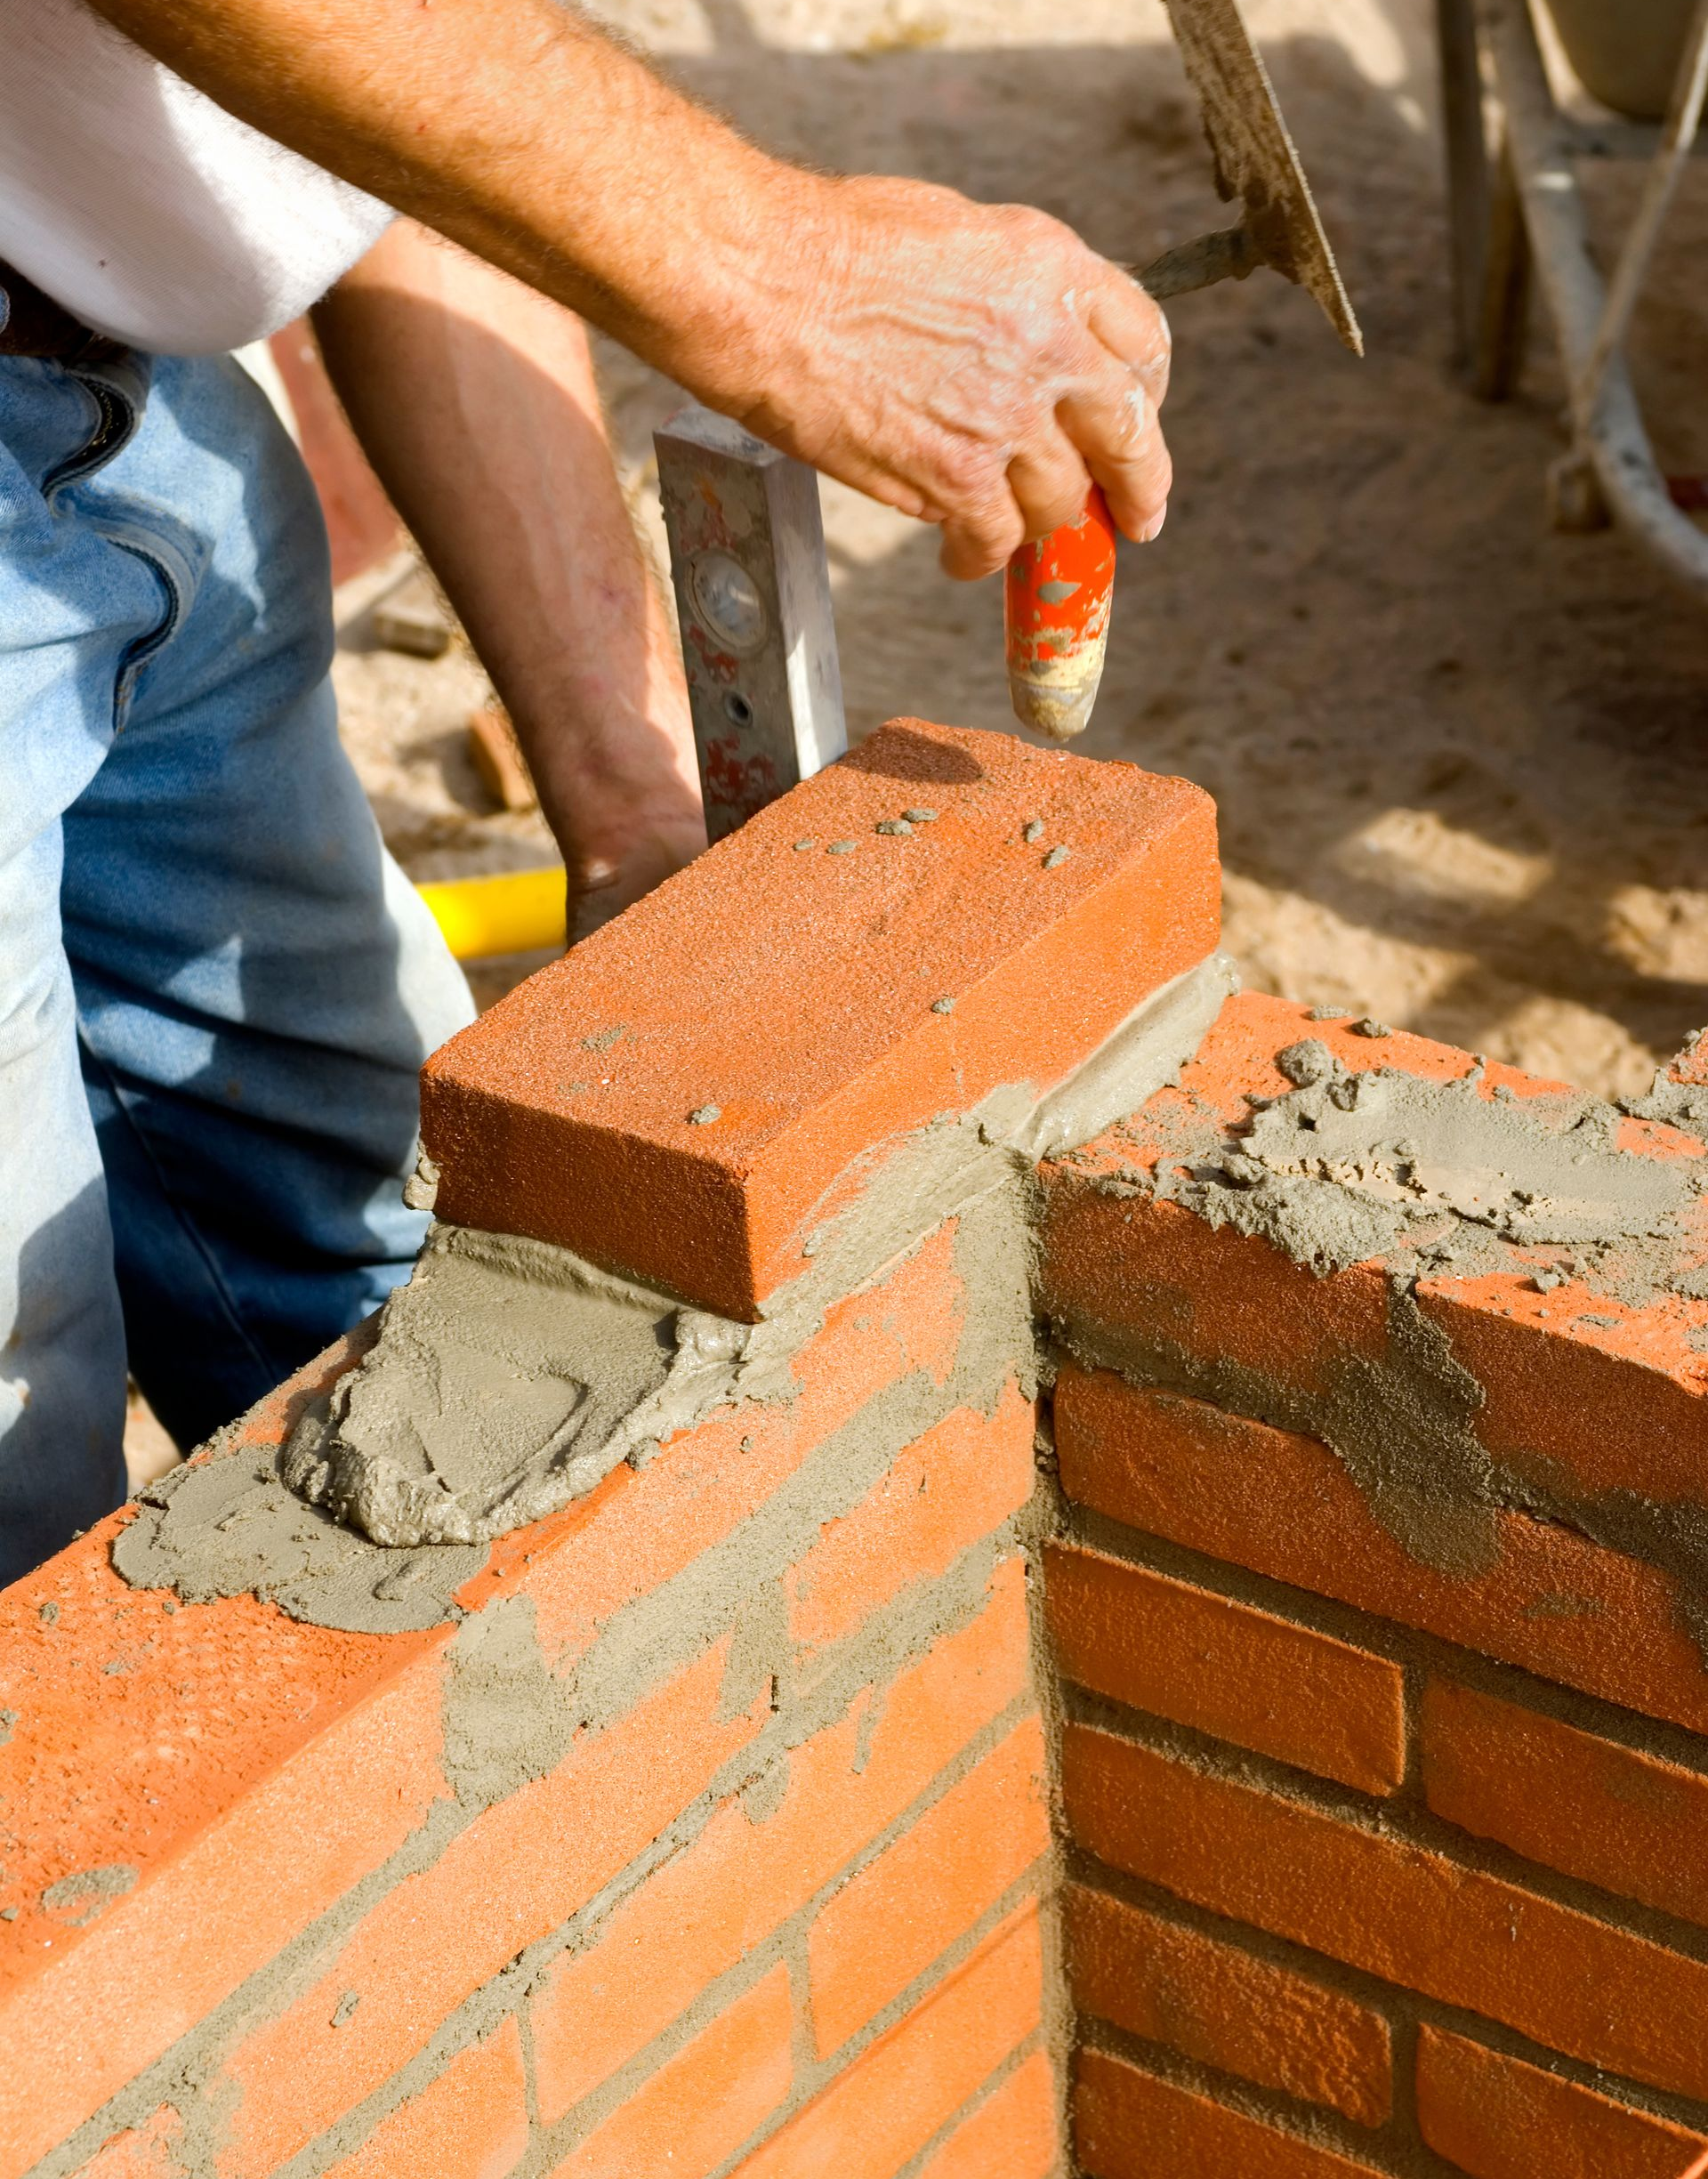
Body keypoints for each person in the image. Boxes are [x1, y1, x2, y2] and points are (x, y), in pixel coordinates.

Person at [0, 0, 1174, 1585]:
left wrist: (633, 809)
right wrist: (792, 277)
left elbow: (410, 113)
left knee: (382, 1247)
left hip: (116, 372)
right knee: (20, 1450)